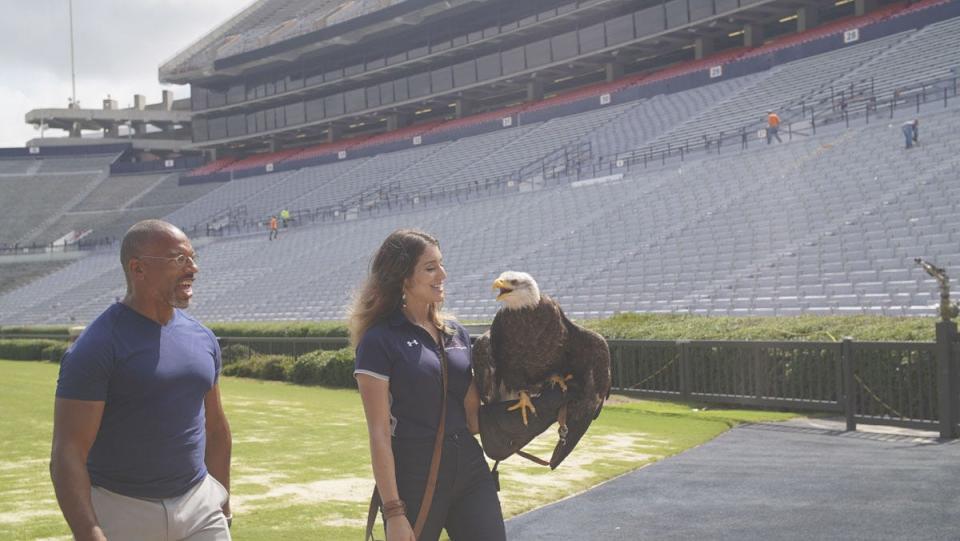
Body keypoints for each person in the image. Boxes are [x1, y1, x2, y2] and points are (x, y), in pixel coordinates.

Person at [50, 219, 232, 541]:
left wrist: (223, 505)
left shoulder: (203, 338)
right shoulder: (97, 347)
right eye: (179, 259)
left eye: (192, 258)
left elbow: (216, 429)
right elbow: (68, 452)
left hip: (200, 506)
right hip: (122, 511)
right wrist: (89, 531)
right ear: (138, 268)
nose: (193, 268)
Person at [351, 229, 505, 541]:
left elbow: (474, 419)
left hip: (471, 468)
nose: (443, 274)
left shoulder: (456, 334)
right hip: (415, 475)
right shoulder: (379, 341)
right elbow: (379, 434)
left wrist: (533, 407)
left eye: (442, 264)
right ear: (403, 278)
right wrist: (394, 511)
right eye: (430, 268)